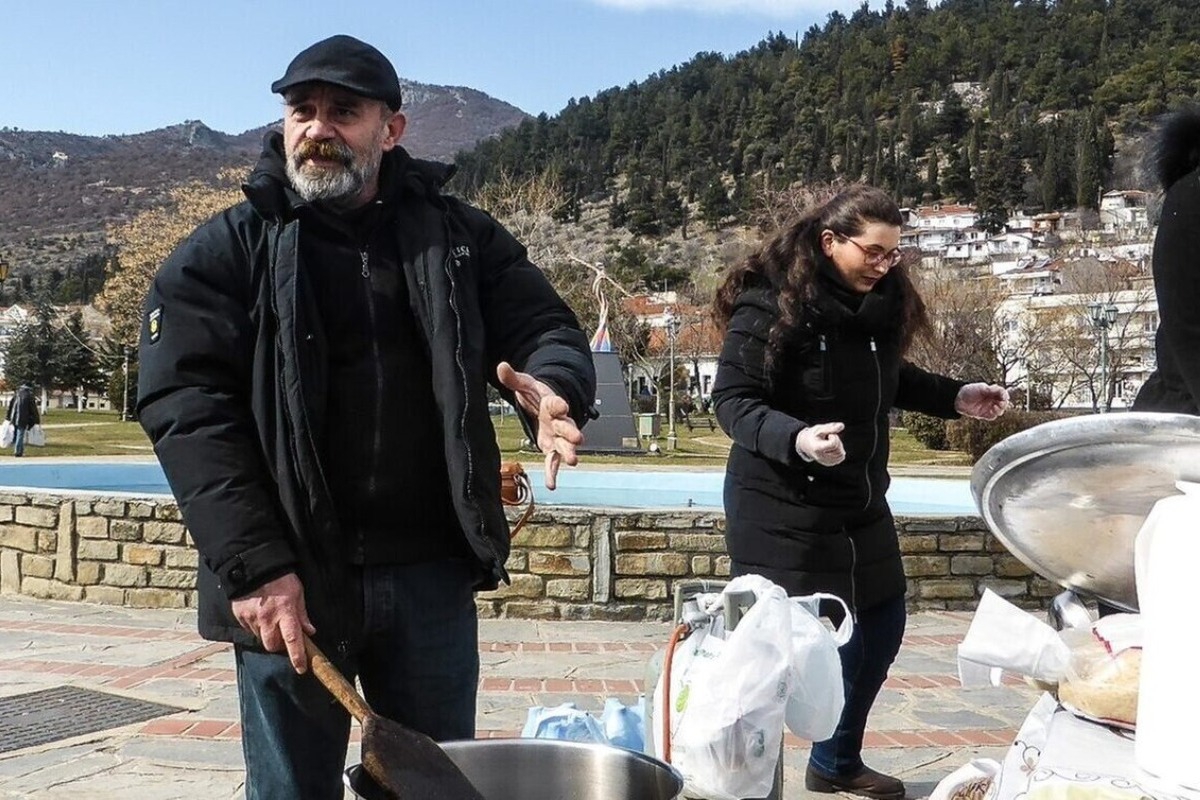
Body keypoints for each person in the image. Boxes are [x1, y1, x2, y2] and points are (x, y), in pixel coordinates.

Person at [136, 34, 596, 800]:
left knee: (433, 788)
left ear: (392, 129)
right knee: (290, 792)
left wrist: (552, 385)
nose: (318, 128)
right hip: (291, 582)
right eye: (302, 110)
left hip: (428, 576)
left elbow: (544, 326)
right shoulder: (223, 252)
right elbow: (186, 411)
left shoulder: (459, 240)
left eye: (343, 111)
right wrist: (254, 567)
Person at [711, 185, 1009, 800]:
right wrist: (796, 438)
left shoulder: (878, 312)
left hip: (859, 505)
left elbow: (888, 381)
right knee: (768, 658)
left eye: (893, 255)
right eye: (873, 251)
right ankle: (747, 785)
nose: (884, 264)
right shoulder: (770, 305)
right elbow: (733, 402)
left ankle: (836, 761)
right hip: (779, 507)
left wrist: (954, 396)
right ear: (830, 242)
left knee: (880, 627)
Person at [6, 384, 40, 457]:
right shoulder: (29, 396)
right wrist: (36, 419)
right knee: (20, 434)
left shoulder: (16, 395)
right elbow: (33, 409)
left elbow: (10, 407)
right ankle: (17, 452)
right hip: (23, 418)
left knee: (18, 434)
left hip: (14, 417)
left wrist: (8, 417)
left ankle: (20, 451)